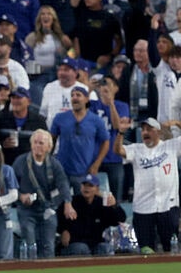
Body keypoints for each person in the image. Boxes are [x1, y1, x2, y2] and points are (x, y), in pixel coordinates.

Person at [114, 118, 181, 254]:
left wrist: (176, 123)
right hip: (143, 208)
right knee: (146, 250)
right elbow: (118, 150)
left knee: (170, 248)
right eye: (143, 129)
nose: (145, 132)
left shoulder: (170, 146)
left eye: (149, 129)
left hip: (168, 206)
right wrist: (120, 133)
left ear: (158, 132)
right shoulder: (137, 149)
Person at [12, 129, 75, 258]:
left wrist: (68, 202)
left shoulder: (54, 164)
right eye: (35, 142)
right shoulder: (20, 162)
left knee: (48, 245)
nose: (37, 146)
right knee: (30, 244)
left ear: (48, 147)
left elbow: (63, 184)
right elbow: (11, 186)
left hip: (47, 208)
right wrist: (20, 196)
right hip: (27, 210)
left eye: (41, 143)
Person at [50, 86, 110, 191]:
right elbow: (51, 140)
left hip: (84, 171)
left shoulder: (96, 120)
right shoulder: (60, 118)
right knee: (60, 203)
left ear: (86, 99)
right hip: (62, 170)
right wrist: (49, 161)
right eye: (72, 95)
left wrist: (96, 164)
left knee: (82, 204)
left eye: (78, 95)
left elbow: (105, 141)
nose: (74, 98)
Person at [58, 173, 126, 256]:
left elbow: (120, 219)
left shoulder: (102, 203)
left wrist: (114, 206)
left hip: (95, 243)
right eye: (84, 185)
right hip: (75, 243)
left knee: (105, 248)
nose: (86, 188)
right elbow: (59, 219)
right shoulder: (72, 202)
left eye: (90, 185)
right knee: (82, 248)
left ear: (97, 189)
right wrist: (64, 231)